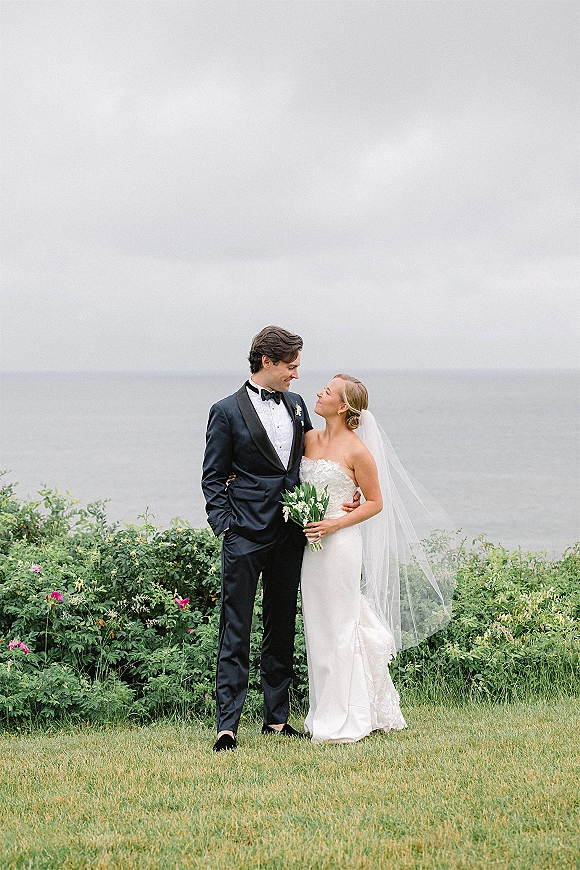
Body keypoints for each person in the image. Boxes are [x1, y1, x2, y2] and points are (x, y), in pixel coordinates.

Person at [202, 327, 359, 752]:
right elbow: (213, 477)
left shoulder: (297, 405)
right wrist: (226, 526)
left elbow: (317, 455)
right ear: (268, 363)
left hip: (291, 534)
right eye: (291, 367)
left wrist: (352, 488)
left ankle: (276, 719)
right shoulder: (225, 411)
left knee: (280, 626)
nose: (296, 375)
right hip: (244, 536)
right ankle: (227, 726)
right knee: (235, 628)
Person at [300, 374, 455, 743]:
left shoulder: (357, 450)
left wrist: (335, 523)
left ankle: (348, 715)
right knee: (317, 629)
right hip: (310, 547)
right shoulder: (307, 438)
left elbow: (375, 502)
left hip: (339, 546)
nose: (319, 392)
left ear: (341, 406)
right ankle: (324, 710)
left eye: (328, 391)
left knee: (341, 626)